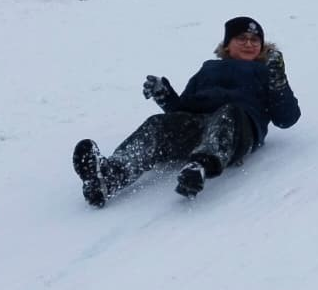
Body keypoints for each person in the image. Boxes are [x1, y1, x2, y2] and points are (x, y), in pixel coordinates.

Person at [72, 17, 301, 207]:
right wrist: (165, 95)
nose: (249, 44)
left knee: (228, 114)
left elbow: (287, 118)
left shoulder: (265, 71)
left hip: (238, 129)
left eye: (255, 40)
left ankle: (199, 168)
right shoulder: (209, 69)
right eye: (241, 38)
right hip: (198, 124)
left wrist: (278, 80)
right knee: (158, 124)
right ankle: (109, 176)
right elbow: (182, 109)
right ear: (227, 44)